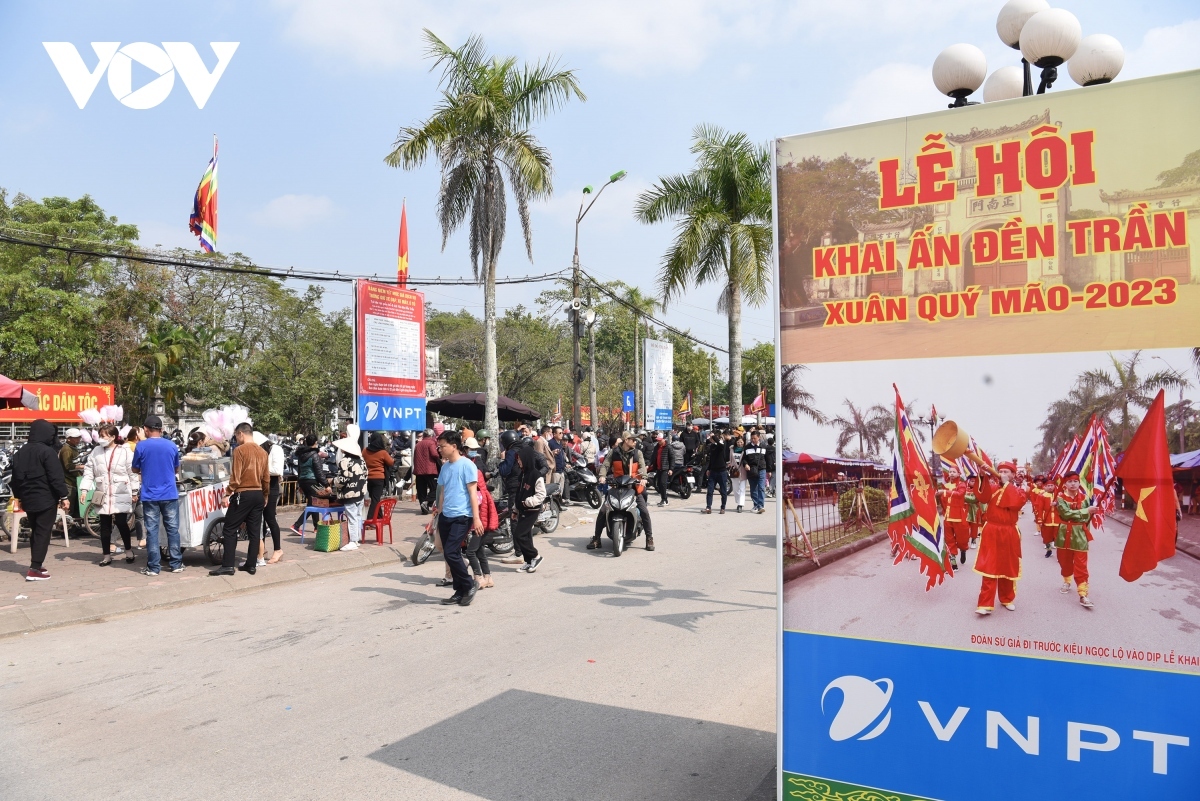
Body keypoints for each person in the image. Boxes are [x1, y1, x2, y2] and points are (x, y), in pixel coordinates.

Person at [11, 419, 70, 581]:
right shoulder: (47, 452)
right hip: (45, 498)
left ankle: (36, 564)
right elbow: (55, 477)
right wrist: (64, 496)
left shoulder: (20, 452)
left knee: (36, 531)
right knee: (43, 533)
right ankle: (34, 569)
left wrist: (19, 497)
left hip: (28, 499)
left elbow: (15, 478)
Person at [209, 422, 270, 576]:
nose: (235, 439)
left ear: (241, 433)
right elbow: (266, 478)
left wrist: (227, 493)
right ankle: (251, 564)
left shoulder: (239, 450)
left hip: (243, 494)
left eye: (236, 436)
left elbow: (236, 477)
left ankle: (228, 565)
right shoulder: (262, 452)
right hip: (257, 494)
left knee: (229, 528)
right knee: (254, 531)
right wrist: (265, 495)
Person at [431, 430, 484, 605]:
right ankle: (459, 591)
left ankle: (469, 584)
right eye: (439, 446)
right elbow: (443, 491)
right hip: (446, 515)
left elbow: (472, 493)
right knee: (449, 554)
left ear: (454, 446)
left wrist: (476, 518)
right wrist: (439, 510)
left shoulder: (467, 465)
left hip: (463, 515)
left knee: (452, 553)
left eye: (442, 446)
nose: (439, 449)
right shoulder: (445, 467)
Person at [80, 424, 139, 566]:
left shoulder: (124, 451)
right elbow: (89, 471)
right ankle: (106, 555)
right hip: (103, 491)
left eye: (104, 436)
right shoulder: (96, 451)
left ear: (113, 437)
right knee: (104, 524)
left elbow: (132, 473)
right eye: (100, 435)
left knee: (121, 522)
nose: (101, 438)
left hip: (121, 491)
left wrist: (135, 490)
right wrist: (84, 489)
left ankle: (128, 550)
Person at [973, 462, 1027, 615]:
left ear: (1013, 475)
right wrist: (982, 476)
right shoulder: (992, 488)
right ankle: (985, 603)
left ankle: (1007, 598)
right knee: (989, 565)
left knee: (1008, 566)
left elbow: (1017, 503)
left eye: (1007, 471)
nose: (1003, 473)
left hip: (1009, 531)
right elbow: (981, 497)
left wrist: (1006, 484)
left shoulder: (1019, 491)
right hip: (991, 530)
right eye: (1000, 471)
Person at [132, 415, 183, 576]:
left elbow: (134, 469)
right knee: (173, 529)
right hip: (169, 493)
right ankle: (176, 564)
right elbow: (176, 469)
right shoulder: (172, 445)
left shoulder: (141, 446)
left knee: (152, 531)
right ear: (161, 429)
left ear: (146, 429)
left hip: (150, 495)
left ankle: (154, 567)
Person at [592, 430, 654, 551]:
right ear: (626, 440)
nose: (635, 442)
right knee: (603, 511)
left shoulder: (638, 453)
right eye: (633, 440)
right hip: (617, 487)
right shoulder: (613, 452)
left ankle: (649, 538)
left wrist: (644, 478)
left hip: (634, 487)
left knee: (644, 511)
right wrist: (602, 476)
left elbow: (642, 467)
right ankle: (596, 539)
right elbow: (605, 465)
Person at [1055, 470, 1102, 608]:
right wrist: (1085, 512)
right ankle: (1067, 580)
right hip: (1064, 535)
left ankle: (1083, 593)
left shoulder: (1086, 498)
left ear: (1079, 482)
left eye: (1075, 481)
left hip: (1080, 535)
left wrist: (1084, 515)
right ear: (1065, 483)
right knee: (1064, 562)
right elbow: (1065, 513)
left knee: (1081, 565)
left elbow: (1086, 518)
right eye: (1070, 481)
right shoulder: (1060, 498)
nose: (1073, 484)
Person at [331, 424, 368, 550]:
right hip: (360, 492)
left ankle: (353, 541)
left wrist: (333, 482)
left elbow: (342, 479)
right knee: (357, 516)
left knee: (352, 517)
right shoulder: (361, 460)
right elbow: (366, 474)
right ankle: (356, 539)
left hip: (350, 494)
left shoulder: (344, 462)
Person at [254, 432, 285, 565]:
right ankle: (262, 549)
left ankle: (278, 549)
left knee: (270, 518)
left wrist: (259, 469)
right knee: (260, 520)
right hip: (259, 487)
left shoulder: (276, 449)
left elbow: (277, 470)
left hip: (271, 487)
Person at [289, 434, 328, 535]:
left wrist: (300, 485)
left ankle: (316, 527)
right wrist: (326, 485)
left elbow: (300, 470)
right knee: (313, 505)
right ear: (315, 443)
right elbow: (319, 472)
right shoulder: (315, 455)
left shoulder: (301, 455)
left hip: (303, 481)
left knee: (313, 502)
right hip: (312, 481)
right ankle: (296, 525)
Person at [938, 466, 971, 568]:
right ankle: (952, 559)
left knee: (962, 538)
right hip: (948, 517)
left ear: (958, 474)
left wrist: (945, 492)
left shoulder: (962, 485)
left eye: (954, 472)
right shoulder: (946, 486)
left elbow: (960, 494)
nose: (951, 473)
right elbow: (943, 501)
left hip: (959, 517)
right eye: (950, 472)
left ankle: (963, 549)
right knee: (949, 539)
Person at [363, 432, 395, 522]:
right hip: (379, 479)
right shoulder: (383, 452)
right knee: (375, 500)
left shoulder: (365, 451)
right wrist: (394, 459)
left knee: (374, 498)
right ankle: (369, 520)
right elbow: (390, 462)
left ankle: (380, 518)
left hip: (368, 478)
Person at [413, 428, 441, 514]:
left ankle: (423, 509)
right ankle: (426, 502)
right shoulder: (431, 443)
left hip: (419, 470)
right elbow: (434, 454)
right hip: (430, 469)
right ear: (432, 435)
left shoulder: (418, 444)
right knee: (435, 488)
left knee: (421, 490)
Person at [59, 427, 84, 521]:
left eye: (79, 437)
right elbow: (68, 466)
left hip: (75, 481)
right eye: (76, 437)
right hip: (69, 482)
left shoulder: (74, 448)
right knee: (69, 508)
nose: (78, 439)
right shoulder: (66, 449)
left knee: (77, 507)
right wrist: (81, 467)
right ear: (68, 438)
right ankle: (66, 529)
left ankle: (76, 528)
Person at [703, 430, 730, 514]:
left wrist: (714, 437)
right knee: (710, 490)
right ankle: (708, 507)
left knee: (723, 491)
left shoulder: (722, 444)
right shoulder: (712, 446)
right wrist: (708, 469)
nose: (710, 439)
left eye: (712, 437)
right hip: (713, 471)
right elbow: (711, 459)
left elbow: (720, 445)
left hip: (722, 471)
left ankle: (723, 507)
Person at [743, 430, 769, 514]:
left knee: (761, 488)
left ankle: (761, 506)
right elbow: (744, 459)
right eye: (752, 438)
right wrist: (745, 464)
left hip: (762, 469)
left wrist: (769, 470)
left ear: (759, 438)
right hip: (751, 470)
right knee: (753, 489)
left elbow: (767, 459)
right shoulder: (747, 447)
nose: (753, 440)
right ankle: (756, 504)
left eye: (755, 438)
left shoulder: (764, 446)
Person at [729, 434, 747, 512]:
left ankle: (740, 504)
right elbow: (730, 460)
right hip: (734, 470)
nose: (740, 444)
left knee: (742, 488)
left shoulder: (745, 450)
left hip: (743, 471)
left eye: (741, 442)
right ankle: (738, 500)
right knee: (736, 488)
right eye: (738, 442)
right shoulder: (732, 449)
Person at [652, 433, 671, 507]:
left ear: (664, 439)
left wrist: (671, 469)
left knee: (663, 484)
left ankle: (665, 500)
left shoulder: (668, 447)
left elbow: (672, 458)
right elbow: (653, 456)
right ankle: (663, 499)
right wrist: (649, 464)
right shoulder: (656, 447)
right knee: (659, 484)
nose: (659, 442)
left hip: (665, 468)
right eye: (658, 440)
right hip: (658, 468)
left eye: (660, 440)